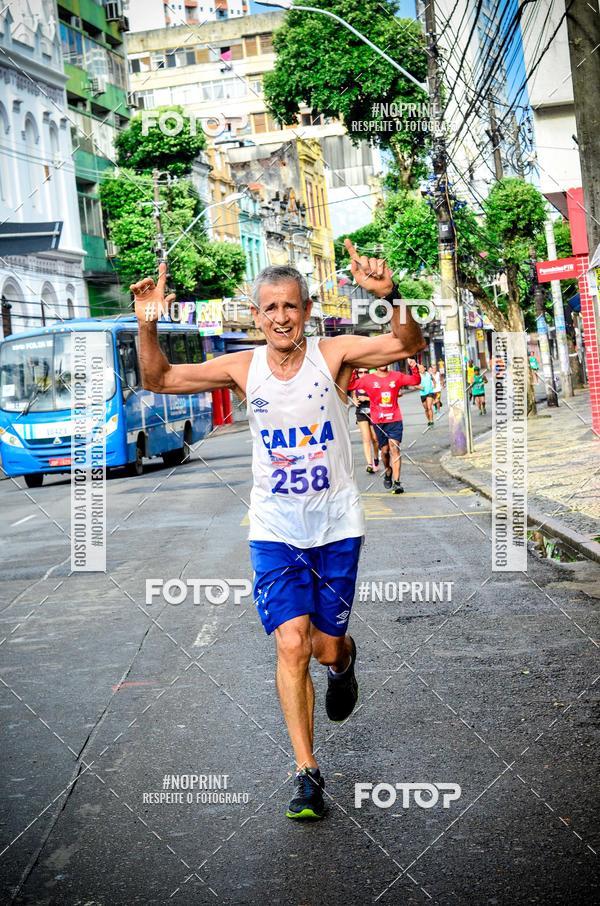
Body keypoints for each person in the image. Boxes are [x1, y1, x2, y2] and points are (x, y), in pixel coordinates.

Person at [130, 239, 425, 821]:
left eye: (291, 306)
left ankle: (343, 661)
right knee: (290, 641)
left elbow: (408, 343)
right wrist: (147, 325)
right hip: (274, 527)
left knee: (325, 645)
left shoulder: (333, 353)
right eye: (269, 308)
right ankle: (307, 772)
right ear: (256, 314)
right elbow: (159, 379)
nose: (281, 318)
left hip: (337, 523)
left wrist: (391, 296)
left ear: (307, 311)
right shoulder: (244, 366)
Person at [353, 360, 420, 494]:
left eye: (385, 359)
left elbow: (415, 380)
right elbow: (350, 385)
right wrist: (351, 366)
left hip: (394, 419)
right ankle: (388, 470)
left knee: (394, 448)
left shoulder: (397, 376)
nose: (382, 362)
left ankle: (397, 482)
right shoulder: (368, 379)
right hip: (378, 420)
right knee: (384, 451)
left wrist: (414, 367)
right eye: (379, 359)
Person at [348, 367, 380, 473]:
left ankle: (376, 459)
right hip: (361, 413)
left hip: (373, 412)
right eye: (360, 372)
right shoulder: (355, 384)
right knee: (366, 439)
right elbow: (353, 396)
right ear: (357, 373)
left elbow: (378, 398)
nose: (363, 374)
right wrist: (354, 401)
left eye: (365, 372)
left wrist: (366, 399)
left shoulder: (373, 383)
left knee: (375, 438)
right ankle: (369, 464)